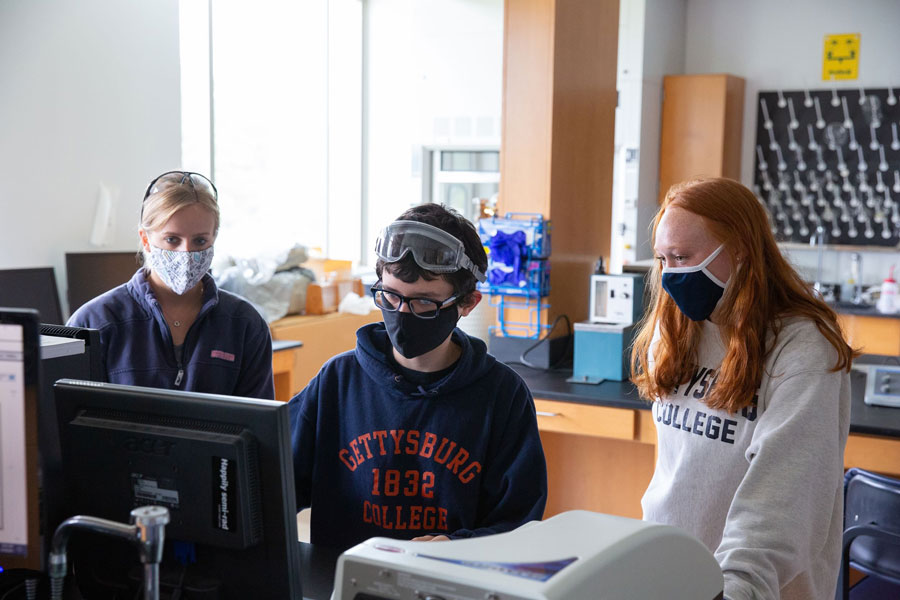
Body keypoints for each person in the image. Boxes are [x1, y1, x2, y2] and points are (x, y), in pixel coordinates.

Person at [631, 177, 857, 600]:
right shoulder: (678, 328)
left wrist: (735, 590)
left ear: (740, 250)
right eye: (663, 259)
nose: (671, 276)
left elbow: (781, 502)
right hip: (670, 576)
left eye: (682, 257)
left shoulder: (804, 348)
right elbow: (680, 477)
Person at [289, 203, 547, 550]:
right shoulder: (338, 380)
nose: (401, 313)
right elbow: (276, 483)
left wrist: (456, 546)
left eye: (424, 303)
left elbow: (519, 523)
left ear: (467, 303)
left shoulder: (502, 395)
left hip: (449, 581)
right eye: (390, 296)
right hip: (344, 580)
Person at [68, 170, 275, 399]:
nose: (186, 252)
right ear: (146, 239)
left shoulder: (245, 324)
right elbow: (68, 421)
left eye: (200, 240)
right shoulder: (94, 322)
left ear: (213, 239)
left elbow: (259, 426)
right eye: (172, 239)